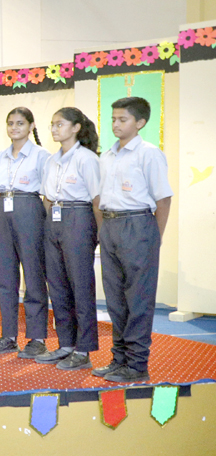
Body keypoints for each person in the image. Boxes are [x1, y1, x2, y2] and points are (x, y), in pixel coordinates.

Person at [93, 97, 172, 383]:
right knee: (115, 299)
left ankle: (137, 364)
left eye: (122, 119)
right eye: (113, 119)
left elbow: (163, 200)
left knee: (137, 299)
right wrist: (103, 231)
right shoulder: (107, 156)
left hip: (139, 225)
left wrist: (154, 238)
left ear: (140, 123)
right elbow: (99, 198)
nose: (116, 124)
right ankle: (119, 359)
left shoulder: (149, 154)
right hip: (111, 226)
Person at [36, 107, 101, 371]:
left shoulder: (87, 159)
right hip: (55, 218)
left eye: (59, 124)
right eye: (52, 124)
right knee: (58, 284)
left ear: (76, 128)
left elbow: (97, 199)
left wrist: (98, 233)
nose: (54, 129)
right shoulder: (52, 160)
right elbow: (47, 197)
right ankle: (65, 344)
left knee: (80, 286)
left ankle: (83, 350)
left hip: (79, 216)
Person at [0, 108, 50, 358]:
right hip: (2, 211)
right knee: (5, 278)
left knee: (33, 275)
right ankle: (8, 335)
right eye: (10, 123)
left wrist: (40, 221)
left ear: (31, 126)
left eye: (20, 123)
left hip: (29, 208)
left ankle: (36, 337)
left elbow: (48, 194)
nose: (14, 128)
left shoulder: (41, 155)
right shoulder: (0, 156)